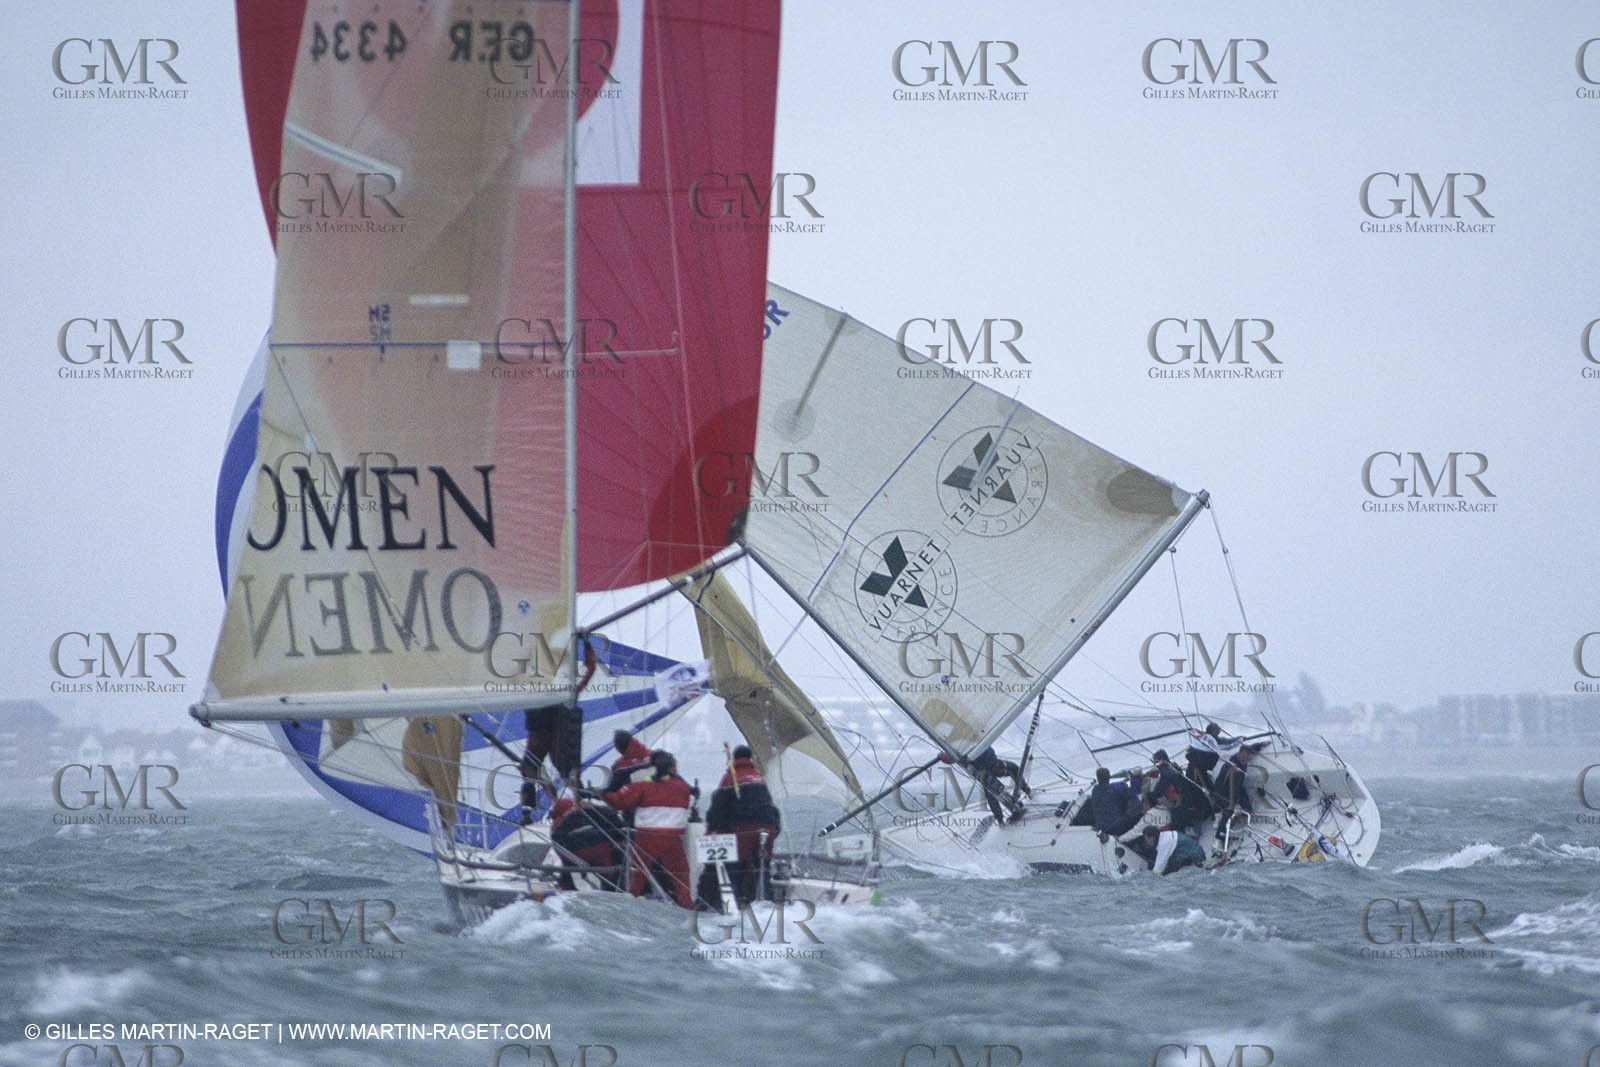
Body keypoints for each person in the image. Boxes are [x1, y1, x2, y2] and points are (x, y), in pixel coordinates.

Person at [604, 750, 694, 908]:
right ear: (672, 768)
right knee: (681, 877)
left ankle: (628, 906)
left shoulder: (641, 786)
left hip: (647, 836)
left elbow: (620, 803)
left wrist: (605, 794)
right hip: (673, 838)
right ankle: (687, 908)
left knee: (637, 875)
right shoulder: (683, 788)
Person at [701, 745, 782, 907]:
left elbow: (718, 809)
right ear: (750, 759)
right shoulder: (759, 777)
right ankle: (767, 901)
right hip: (768, 828)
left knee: (734, 867)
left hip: (743, 830)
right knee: (762, 865)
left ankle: (734, 903)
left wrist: (711, 831)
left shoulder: (730, 777)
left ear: (733, 759)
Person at [548, 786, 625, 891]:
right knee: (610, 870)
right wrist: (620, 838)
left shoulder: (557, 823)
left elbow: (558, 847)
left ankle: (569, 889)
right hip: (600, 846)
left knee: (568, 869)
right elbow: (612, 818)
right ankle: (616, 889)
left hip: (575, 853)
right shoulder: (588, 807)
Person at [970, 746, 1032, 824]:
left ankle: (1001, 819)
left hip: (993, 765)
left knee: (1013, 769)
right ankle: (1024, 796)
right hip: (990, 767)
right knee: (992, 792)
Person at [1185, 722, 1239, 794]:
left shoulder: (1217, 740)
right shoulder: (1206, 740)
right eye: (1217, 728)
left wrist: (1239, 738)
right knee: (1201, 788)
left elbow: (1228, 742)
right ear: (1212, 731)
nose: (1219, 728)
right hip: (1198, 768)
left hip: (1206, 768)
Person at [1089, 767, 1141, 838]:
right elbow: (1133, 793)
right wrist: (1134, 778)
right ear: (1109, 777)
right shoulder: (1117, 789)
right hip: (1116, 828)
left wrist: (1125, 780)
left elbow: (1110, 786)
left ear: (1097, 778)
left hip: (1101, 829)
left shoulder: (1095, 791)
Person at [1139, 823, 1206, 875]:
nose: (1146, 842)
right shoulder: (1164, 836)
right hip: (1193, 853)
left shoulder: (1164, 843)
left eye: (1146, 839)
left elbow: (1159, 867)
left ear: (1152, 838)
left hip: (1195, 857)